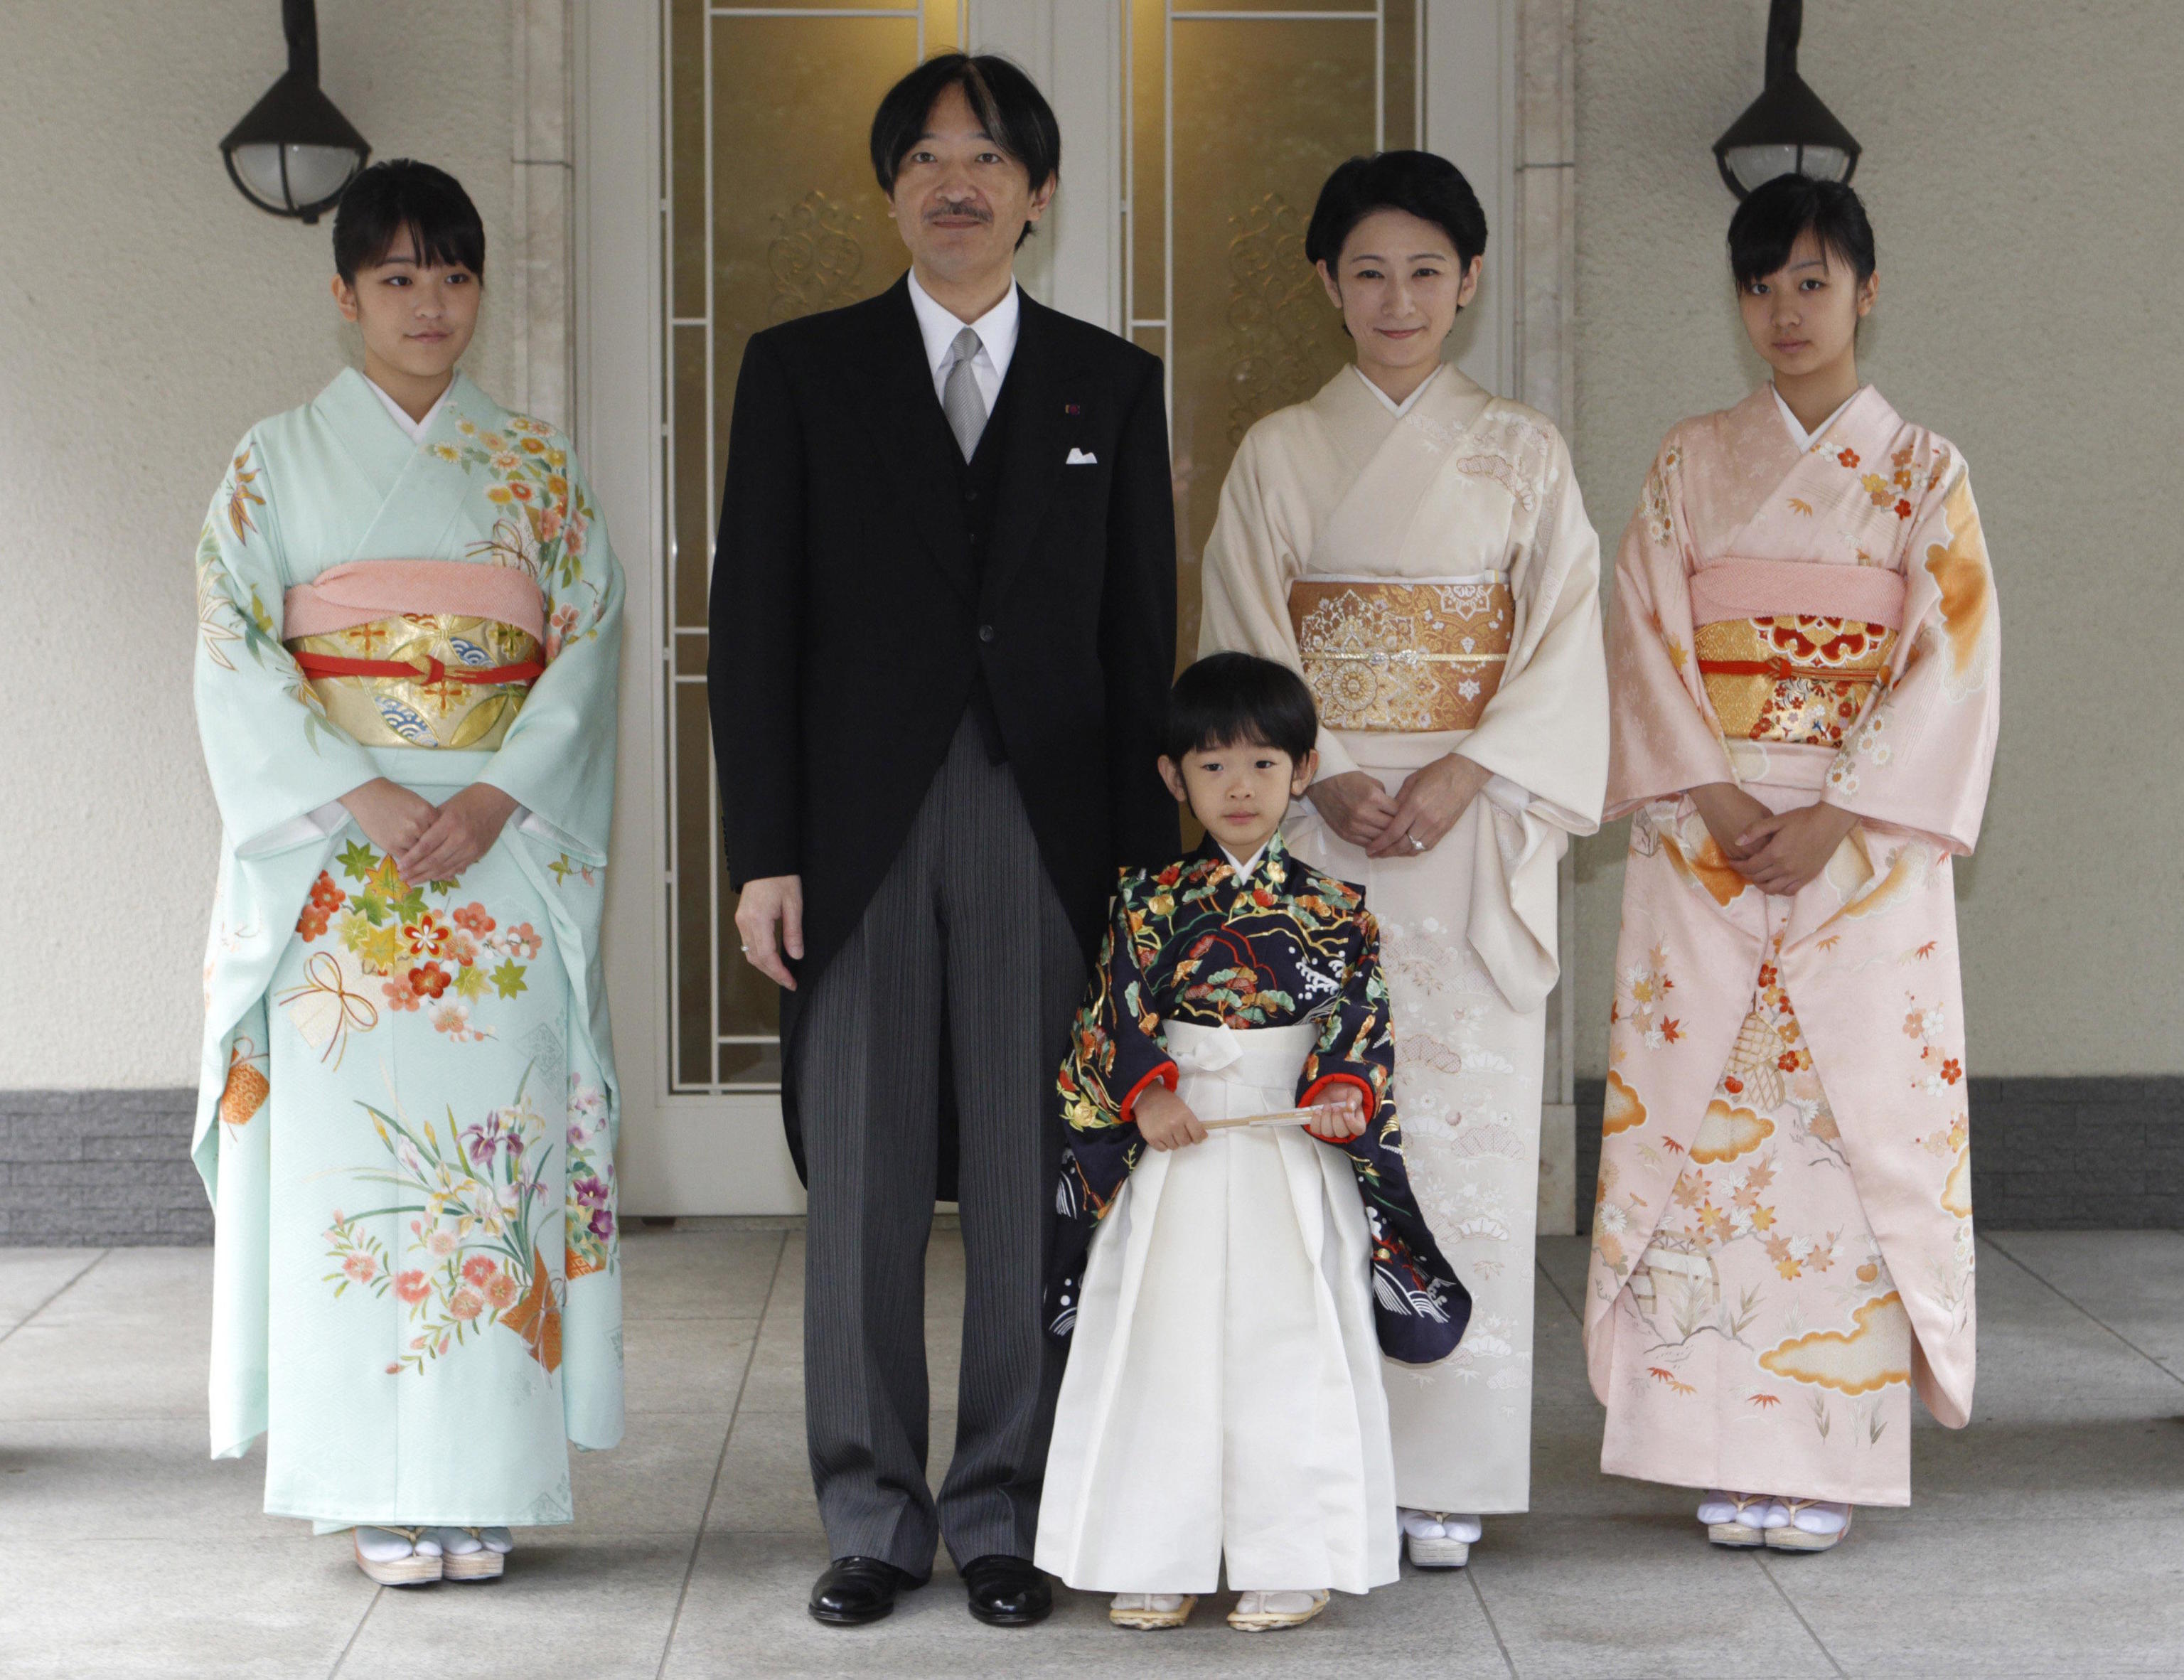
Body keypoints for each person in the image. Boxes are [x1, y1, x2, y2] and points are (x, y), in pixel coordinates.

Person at [708, 54, 1177, 1627]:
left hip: (1041, 833)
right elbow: (752, 628)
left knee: (1039, 1175)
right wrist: (762, 851)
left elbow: (1137, 650)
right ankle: (870, 1513)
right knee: (861, 1182)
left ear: (1040, 193)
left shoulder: (1108, 385)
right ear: (890, 188)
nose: (954, 182)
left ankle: (1004, 1508)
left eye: (987, 159)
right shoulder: (799, 369)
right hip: (853, 837)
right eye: (924, 157)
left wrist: (1137, 882)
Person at [190, 160, 625, 1586]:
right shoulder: (270, 465)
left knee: (497, 1167)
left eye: (452, 276)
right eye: (397, 279)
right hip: (342, 870)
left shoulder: (539, 468)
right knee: (351, 1176)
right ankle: (371, 1480)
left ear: (480, 291)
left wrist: (500, 793)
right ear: (343, 297)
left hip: (497, 865)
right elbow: (235, 650)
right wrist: (363, 789)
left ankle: (485, 1477)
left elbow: (586, 647)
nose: (429, 305)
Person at [1198, 151, 1608, 1568]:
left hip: (1471, 824)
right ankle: (1326, 1449)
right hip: (1325, 827)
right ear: (1326, 281)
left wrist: (1461, 768)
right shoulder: (1275, 451)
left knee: (1461, 1142)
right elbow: (1245, 640)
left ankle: (1450, 1467)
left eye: (1428, 270)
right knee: (1319, 1130)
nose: (1398, 297)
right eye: (1368, 269)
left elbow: (1564, 644)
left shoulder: (1526, 454)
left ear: (1471, 282)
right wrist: (1333, 772)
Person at [1582, 174, 2001, 1552]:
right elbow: (1642, 633)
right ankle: (1706, 1435)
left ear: (1868, 292)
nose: (1785, 311)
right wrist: (1710, 792)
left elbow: (1950, 659)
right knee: (1709, 1139)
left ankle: (1830, 1454)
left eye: (1812, 282)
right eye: (1761, 286)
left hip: (1858, 850)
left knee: (1844, 1136)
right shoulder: (1689, 462)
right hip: (1706, 839)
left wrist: (1838, 809)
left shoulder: (1925, 474)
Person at [1034, 653, 1467, 1632]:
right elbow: (1114, 1010)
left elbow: (1362, 1021)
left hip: (1288, 1144)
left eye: (1264, 765)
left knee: (1290, 1344)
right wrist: (1146, 1093)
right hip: (1178, 1141)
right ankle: (1150, 1548)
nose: (1239, 787)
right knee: (1163, 1340)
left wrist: (1345, 1090)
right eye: (1213, 765)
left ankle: (1291, 1554)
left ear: (1305, 771)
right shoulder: (1145, 899)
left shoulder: (1335, 910)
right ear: (1171, 776)